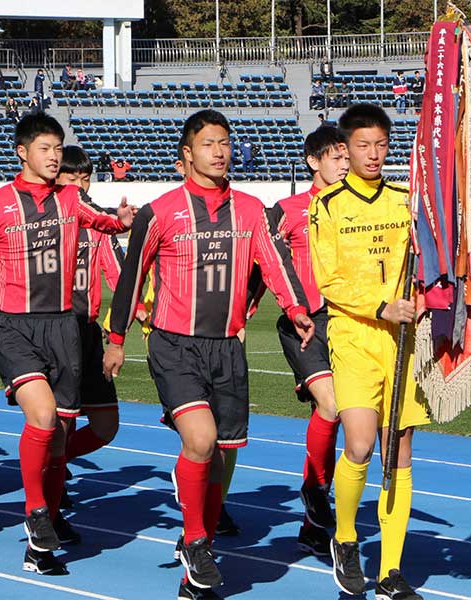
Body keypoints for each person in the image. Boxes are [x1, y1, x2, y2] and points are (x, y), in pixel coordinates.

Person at [104, 109, 313, 599]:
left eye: (224, 143)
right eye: (208, 143)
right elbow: (132, 277)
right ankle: (198, 541)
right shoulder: (161, 212)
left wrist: (296, 307)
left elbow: (274, 261)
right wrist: (116, 339)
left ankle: (195, 559)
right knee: (199, 440)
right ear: (186, 155)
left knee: (219, 456)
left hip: (227, 346)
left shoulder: (250, 210)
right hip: (173, 344)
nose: (219, 151)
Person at [0, 113, 134, 575]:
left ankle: (42, 540)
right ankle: (36, 510)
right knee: (43, 416)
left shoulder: (71, 199)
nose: (54, 157)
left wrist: (123, 221)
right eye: (45, 149)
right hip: (12, 326)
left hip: (65, 328)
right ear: (22, 152)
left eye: (58, 148)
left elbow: (102, 223)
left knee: (59, 438)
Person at [308, 104, 429, 600]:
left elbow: (426, 266)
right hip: (355, 335)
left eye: (381, 144)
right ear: (345, 149)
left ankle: (392, 571)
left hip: (402, 340)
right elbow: (328, 280)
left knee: (397, 451)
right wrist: (382, 306)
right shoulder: (328, 205)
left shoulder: (405, 201)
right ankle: (345, 537)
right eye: (362, 145)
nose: (373, 154)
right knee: (358, 443)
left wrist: (423, 299)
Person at [254, 126, 349, 557]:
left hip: (352, 323)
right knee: (330, 406)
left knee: (343, 419)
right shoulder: (287, 210)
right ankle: (315, 490)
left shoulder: (359, 208)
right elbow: (263, 262)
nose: (344, 162)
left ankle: (314, 523)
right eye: (335, 156)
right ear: (314, 161)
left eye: (346, 155)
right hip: (305, 322)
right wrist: (244, 312)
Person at [56, 146, 124, 509]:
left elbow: (119, 275)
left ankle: (55, 460)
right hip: (52, 331)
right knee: (60, 418)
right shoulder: (47, 221)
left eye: (85, 179)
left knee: (105, 425)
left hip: (87, 331)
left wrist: (139, 307)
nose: (81, 186)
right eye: (72, 179)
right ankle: (51, 482)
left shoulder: (100, 228)